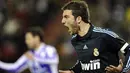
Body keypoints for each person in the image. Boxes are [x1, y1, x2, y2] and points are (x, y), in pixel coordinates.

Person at [59, 1, 130, 73]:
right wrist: (73, 71)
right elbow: (84, 63)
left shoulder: (104, 35)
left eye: (66, 17)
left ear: (78, 19)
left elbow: (128, 50)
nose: (62, 21)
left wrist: (124, 70)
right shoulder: (75, 40)